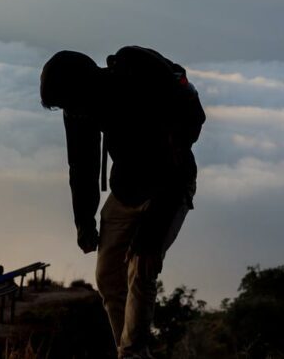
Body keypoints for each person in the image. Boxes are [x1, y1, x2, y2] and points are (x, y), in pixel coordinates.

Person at [40, 46, 205, 359]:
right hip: (126, 190)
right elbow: (82, 165)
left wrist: (151, 232)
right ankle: (128, 351)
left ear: (82, 84)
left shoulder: (134, 76)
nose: (70, 110)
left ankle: (132, 353)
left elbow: (187, 127)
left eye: (68, 101)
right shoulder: (78, 109)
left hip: (169, 186)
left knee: (141, 267)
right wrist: (84, 221)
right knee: (107, 277)